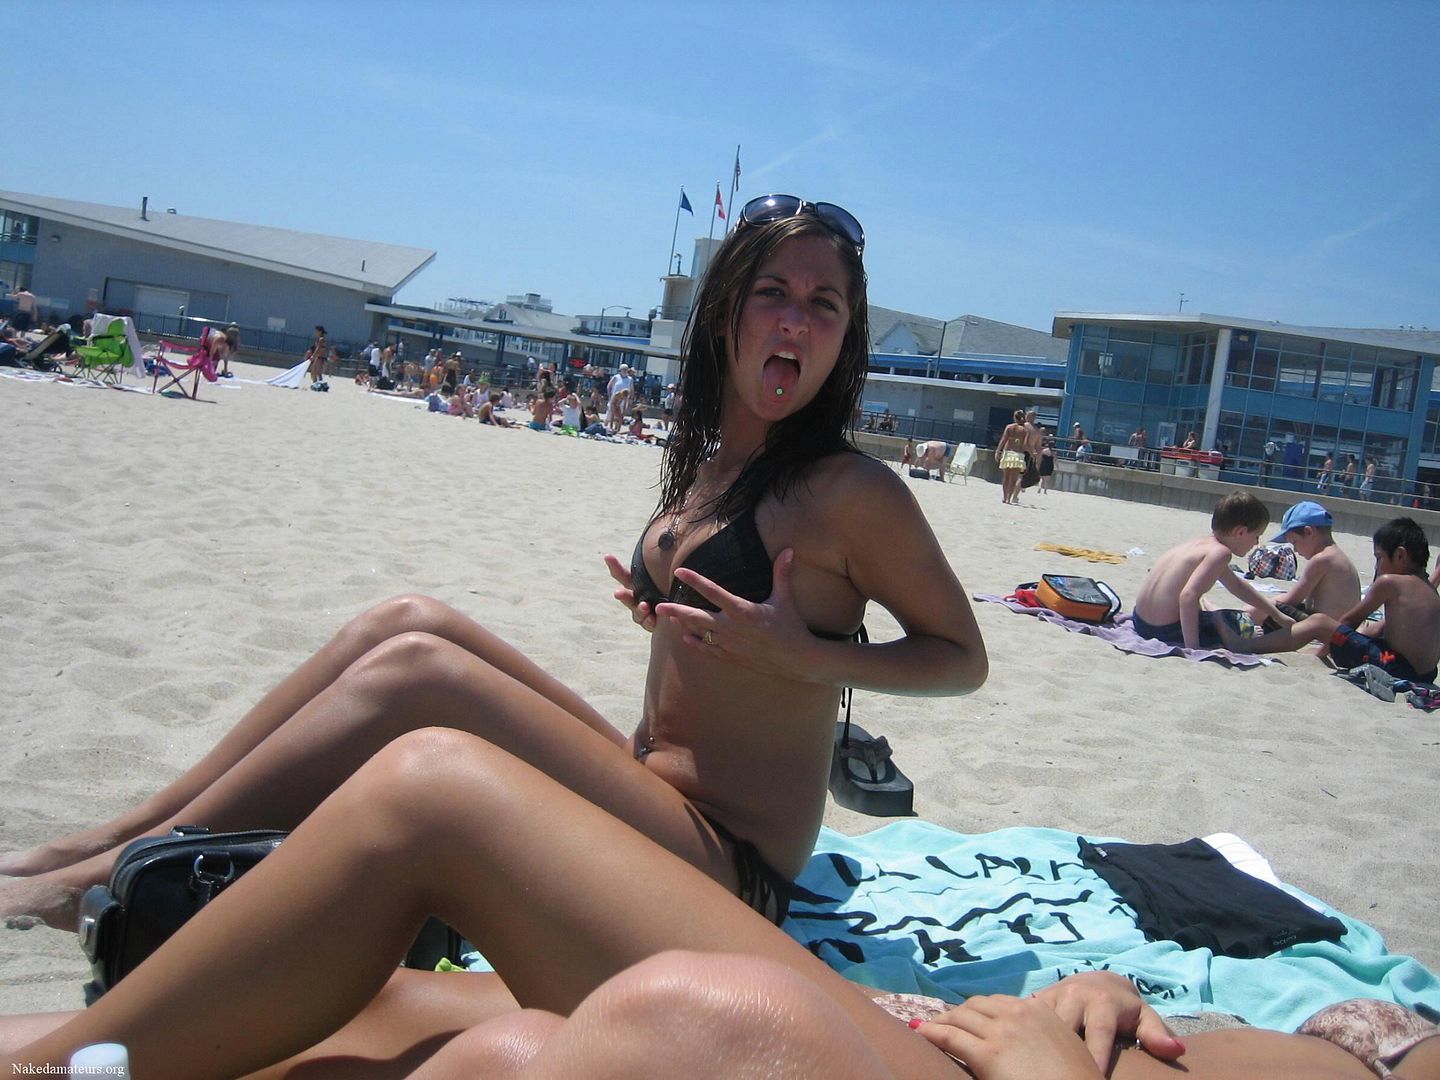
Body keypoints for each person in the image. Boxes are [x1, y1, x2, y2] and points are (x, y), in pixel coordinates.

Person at [0, 195, 991, 1074]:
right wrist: (664, 611)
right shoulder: (712, 465)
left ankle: (108, 871)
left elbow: (962, 659)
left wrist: (802, 657)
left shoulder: (850, 491)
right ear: (729, 312)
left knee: (421, 676)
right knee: (408, 622)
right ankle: (123, 837)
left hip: (722, 862)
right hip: (650, 788)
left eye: (825, 304)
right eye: (774, 293)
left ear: (845, 338)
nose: (797, 320)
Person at [1251, 518, 1440, 682]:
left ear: (1400, 555)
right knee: (1371, 630)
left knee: (1319, 623)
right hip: (1426, 675)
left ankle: (1248, 646)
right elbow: (1393, 628)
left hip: (1393, 665)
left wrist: (1326, 648)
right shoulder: (1430, 590)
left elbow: (1350, 620)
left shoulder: (1389, 583)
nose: (1377, 566)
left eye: (1379, 558)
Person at [1132, 492, 1293, 651]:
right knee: (1238, 623)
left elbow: (1237, 586)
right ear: (1241, 532)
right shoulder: (1221, 553)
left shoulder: (1198, 544)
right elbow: (1188, 596)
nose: (1256, 543)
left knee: (1218, 617)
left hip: (1140, 621)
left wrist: (1276, 615)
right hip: (1164, 630)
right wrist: (1193, 648)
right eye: (1257, 536)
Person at [1247, 501, 1361, 628]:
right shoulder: (1336, 555)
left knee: (1267, 612)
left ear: (1308, 532)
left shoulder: (1322, 560)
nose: (1295, 549)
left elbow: (1292, 599)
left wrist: (1257, 608)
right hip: (1341, 627)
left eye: (1294, 542)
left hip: (1328, 630)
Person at [995, 409, 1028, 504]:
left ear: (1014, 418)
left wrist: (998, 451)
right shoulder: (1025, 430)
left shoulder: (1009, 427)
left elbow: (1003, 440)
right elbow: (1025, 444)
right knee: (1014, 478)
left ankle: (1004, 497)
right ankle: (1009, 498)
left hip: (1008, 452)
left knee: (1006, 477)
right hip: (1018, 454)